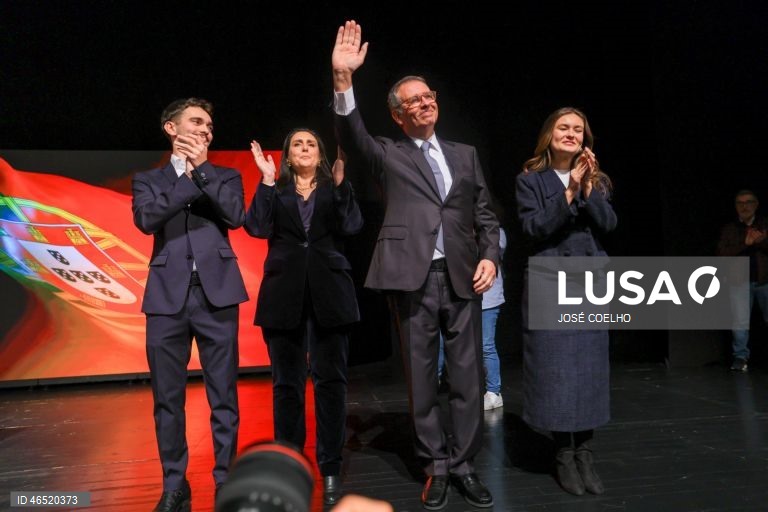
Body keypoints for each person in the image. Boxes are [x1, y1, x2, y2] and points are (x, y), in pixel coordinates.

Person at [331, 21, 500, 510]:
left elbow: (485, 216)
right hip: (413, 276)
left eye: (429, 97)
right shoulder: (388, 152)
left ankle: (465, 464)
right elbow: (351, 134)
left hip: (464, 276)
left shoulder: (465, 155)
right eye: (414, 101)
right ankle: (436, 466)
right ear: (398, 116)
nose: (426, 103)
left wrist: (491, 255)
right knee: (421, 376)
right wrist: (343, 81)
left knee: (467, 379)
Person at [132, 97, 248, 512]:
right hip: (166, 297)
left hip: (217, 295)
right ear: (171, 128)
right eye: (197, 122)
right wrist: (187, 179)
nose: (205, 130)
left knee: (224, 396)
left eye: (210, 127)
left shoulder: (226, 176)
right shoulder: (149, 180)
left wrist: (202, 172)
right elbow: (147, 220)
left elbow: (235, 216)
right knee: (167, 397)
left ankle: (226, 481)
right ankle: (175, 485)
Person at [243, 129, 363, 506]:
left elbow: (352, 227)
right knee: (287, 386)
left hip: (331, 294)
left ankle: (329, 468)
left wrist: (342, 188)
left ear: (321, 155)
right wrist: (264, 181)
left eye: (312, 143)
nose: (305, 148)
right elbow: (256, 228)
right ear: (287, 156)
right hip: (283, 297)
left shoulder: (335, 188)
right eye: (298, 143)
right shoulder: (275, 190)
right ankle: (290, 465)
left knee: (331, 384)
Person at [515, 107, 616, 496]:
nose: (571, 134)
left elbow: (608, 225)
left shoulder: (598, 180)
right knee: (555, 368)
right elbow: (534, 228)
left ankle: (585, 452)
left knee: (589, 368)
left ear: (584, 139)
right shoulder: (531, 180)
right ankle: (562, 454)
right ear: (549, 134)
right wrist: (568, 192)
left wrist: (588, 190)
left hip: (590, 282)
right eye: (563, 127)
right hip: (549, 280)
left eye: (578, 129)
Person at [437, 226, 507, 411]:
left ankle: (494, 392)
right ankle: (436, 383)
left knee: (486, 345)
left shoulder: (495, 232)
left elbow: (491, 253)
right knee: (445, 342)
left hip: (488, 299)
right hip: (461, 296)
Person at [717, 189, 768, 372]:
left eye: (748, 202)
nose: (744, 206)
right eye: (740, 203)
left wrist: (760, 241)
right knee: (740, 321)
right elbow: (723, 254)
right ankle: (740, 357)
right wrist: (745, 244)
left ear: (756, 204)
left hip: (764, 280)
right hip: (740, 281)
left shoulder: (764, 225)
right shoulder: (730, 229)